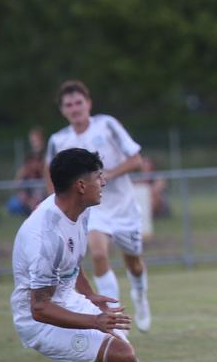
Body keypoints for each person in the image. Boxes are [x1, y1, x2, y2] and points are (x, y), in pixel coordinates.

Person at [10, 148, 167, 362]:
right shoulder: (46, 236)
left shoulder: (78, 210)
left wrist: (89, 294)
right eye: (98, 176)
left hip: (66, 299)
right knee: (123, 355)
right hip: (39, 321)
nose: (104, 182)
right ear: (81, 185)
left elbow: (70, 263)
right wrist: (94, 320)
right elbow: (39, 308)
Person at [45, 80, 152, 332]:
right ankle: (114, 318)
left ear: (88, 103)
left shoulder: (107, 125)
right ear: (62, 110)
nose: (74, 108)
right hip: (92, 210)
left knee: (134, 263)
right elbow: (50, 175)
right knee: (99, 254)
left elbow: (137, 160)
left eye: (78, 102)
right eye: (68, 104)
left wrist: (105, 176)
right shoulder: (59, 140)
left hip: (123, 208)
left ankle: (140, 295)